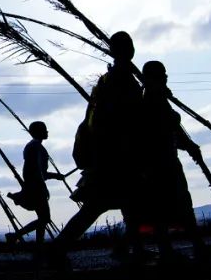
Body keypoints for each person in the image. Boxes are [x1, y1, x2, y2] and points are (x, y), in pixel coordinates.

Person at [49, 31, 145, 263]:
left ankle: (130, 248)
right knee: (101, 206)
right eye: (126, 46)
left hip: (112, 155)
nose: (129, 50)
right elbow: (120, 119)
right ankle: (57, 250)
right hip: (115, 156)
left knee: (131, 204)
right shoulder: (118, 80)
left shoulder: (112, 79)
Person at [135, 61, 206, 260]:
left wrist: (188, 146)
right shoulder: (151, 101)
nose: (166, 78)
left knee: (174, 205)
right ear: (152, 78)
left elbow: (172, 132)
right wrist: (188, 145)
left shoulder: (156, 98)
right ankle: (176, 250)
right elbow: (165, 131)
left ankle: (190, 246)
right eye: (162, 75)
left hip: (164, 160)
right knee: (172, 205)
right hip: (160, 163)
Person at [6, 121, 63, 253]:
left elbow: (38, 171)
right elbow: (35, 171)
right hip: (36, 187)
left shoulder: (33, 146)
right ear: (38, 132)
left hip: (34, 186)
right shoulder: (35, 147)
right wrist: (40, 185)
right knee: (45, 218)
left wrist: (56, 176)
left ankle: (39, 247)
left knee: (42, 219)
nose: (47, 132)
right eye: (44, 129)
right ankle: (15, 236)